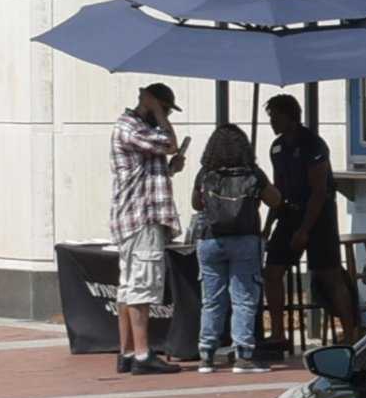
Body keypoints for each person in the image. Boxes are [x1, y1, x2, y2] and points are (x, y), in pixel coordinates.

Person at [261, 92, 360, 344]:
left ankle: (350, 333)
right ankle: (278, 333)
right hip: (289, 212)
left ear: (290, 117)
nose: (272, 123)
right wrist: (269, 224)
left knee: (330, 274)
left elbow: (318, 191)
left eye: (275, 117)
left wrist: (304, 230)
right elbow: (278, 188)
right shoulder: (277, 148)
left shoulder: (313, 145)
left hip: (319, 216)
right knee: (272, 272)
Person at [108, 81, 186, 375]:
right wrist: (157, 110)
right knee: (141, 285)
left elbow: (148, 167)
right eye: (165, 109)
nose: (166, 115)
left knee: (129, 287)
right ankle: (142, 355)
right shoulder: (131, 127)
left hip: (137, 216)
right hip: (141, 217)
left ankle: (128, 352)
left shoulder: (137, 130)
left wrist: (170, 170)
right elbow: (169, 143)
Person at [190, 115, 268, 369]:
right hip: (246, 239)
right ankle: (243, 354)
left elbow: (196, 203)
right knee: (244, 297)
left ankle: (206, 354)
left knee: (212, 299)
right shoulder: (252, 173)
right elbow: (275, 199)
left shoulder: (206, 173)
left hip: (210, 239)